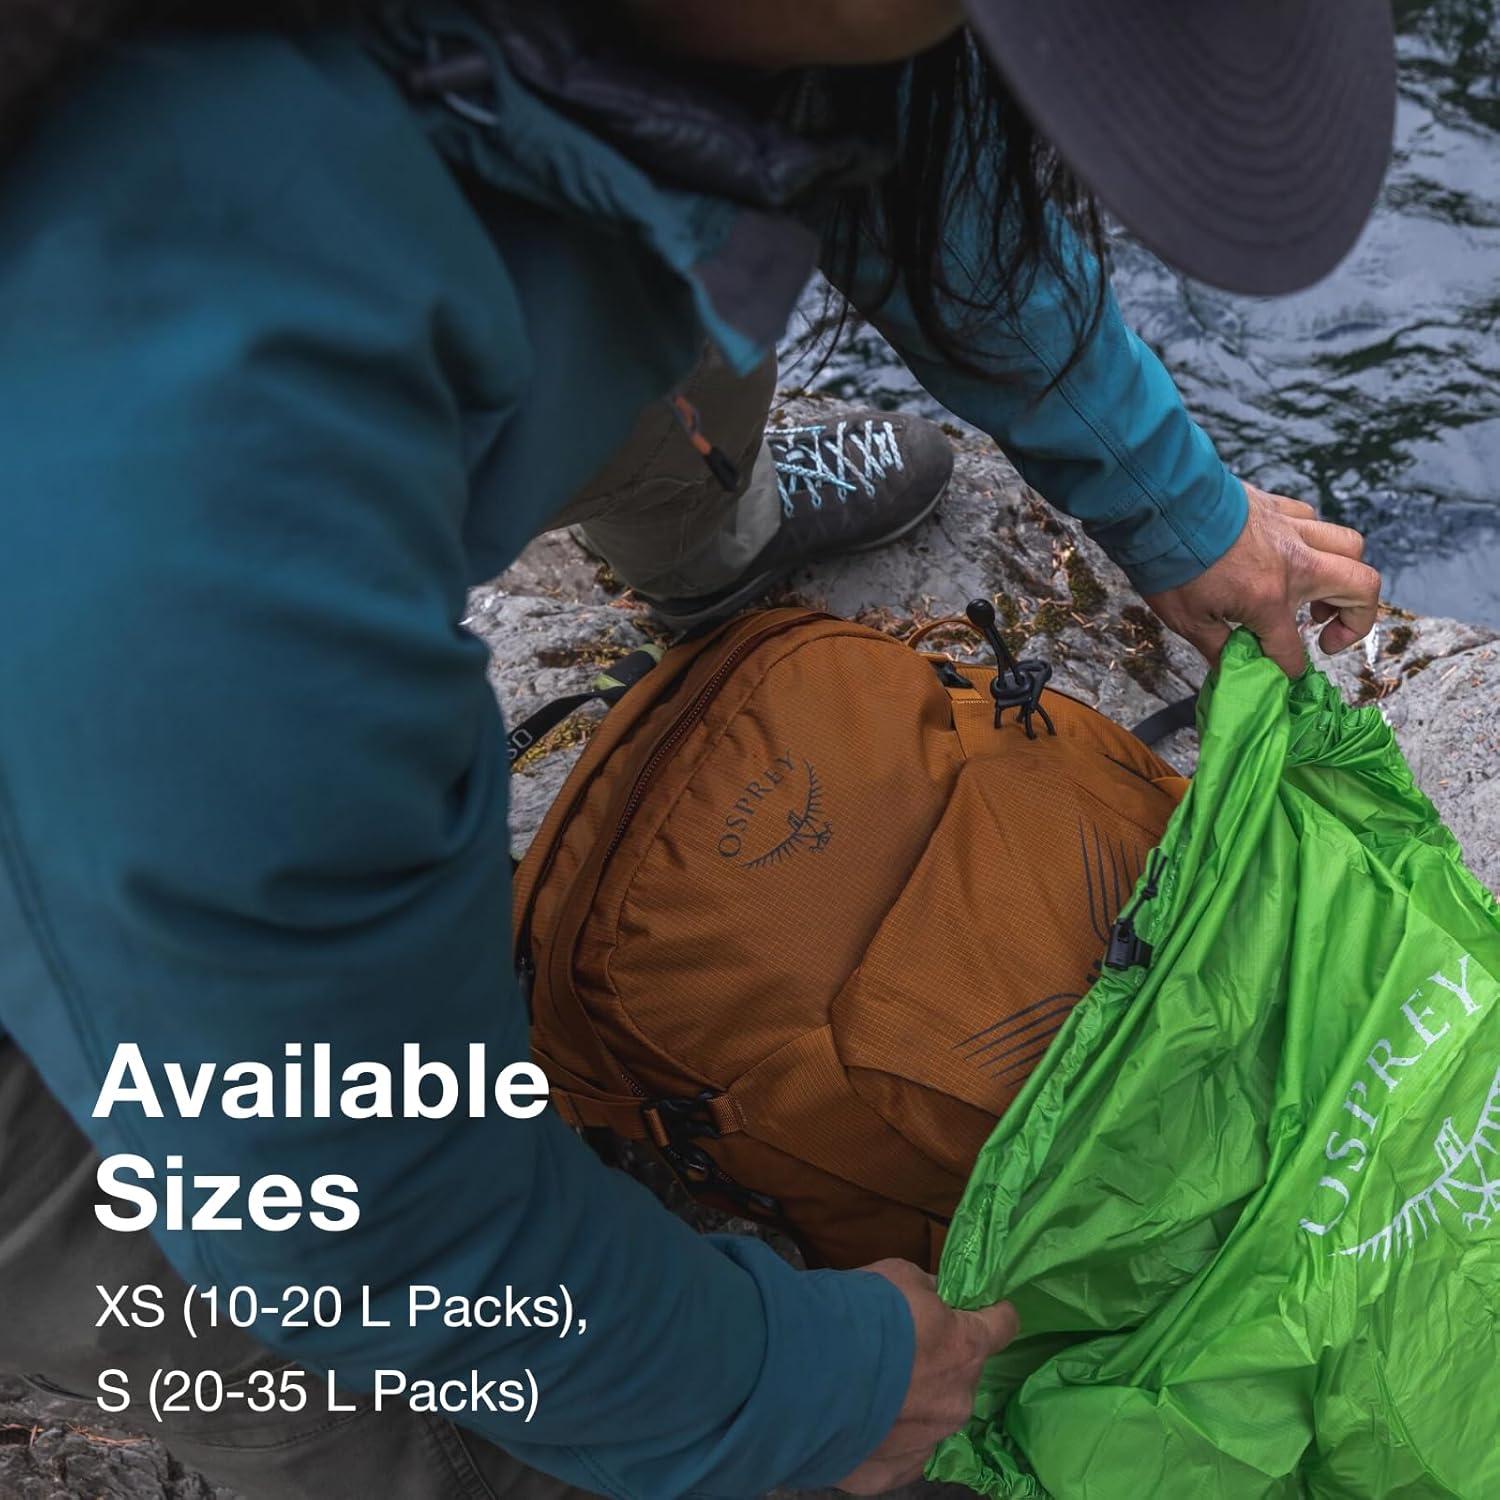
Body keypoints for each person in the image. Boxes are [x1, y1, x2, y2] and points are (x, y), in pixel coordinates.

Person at [0, 1, 1392, 1497]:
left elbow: (893, 120)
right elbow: (369, 1219)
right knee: (312, 1341)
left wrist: (1175, 503)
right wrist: (816, 1384)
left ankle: (715, 535)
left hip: (293, 437)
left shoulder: (766, 36)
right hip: (117, 699)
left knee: (712, 203)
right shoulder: (192, 487)